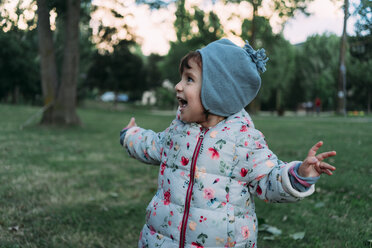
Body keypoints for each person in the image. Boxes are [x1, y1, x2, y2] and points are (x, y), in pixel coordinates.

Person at [120, 39, 336, 248]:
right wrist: (130, 134)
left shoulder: (245, 141)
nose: (178, 86)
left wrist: (299, 174)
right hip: (162, 239)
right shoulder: (177, 131)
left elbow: (269, 180)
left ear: (216, 92)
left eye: (189, 79)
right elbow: (151, 145)